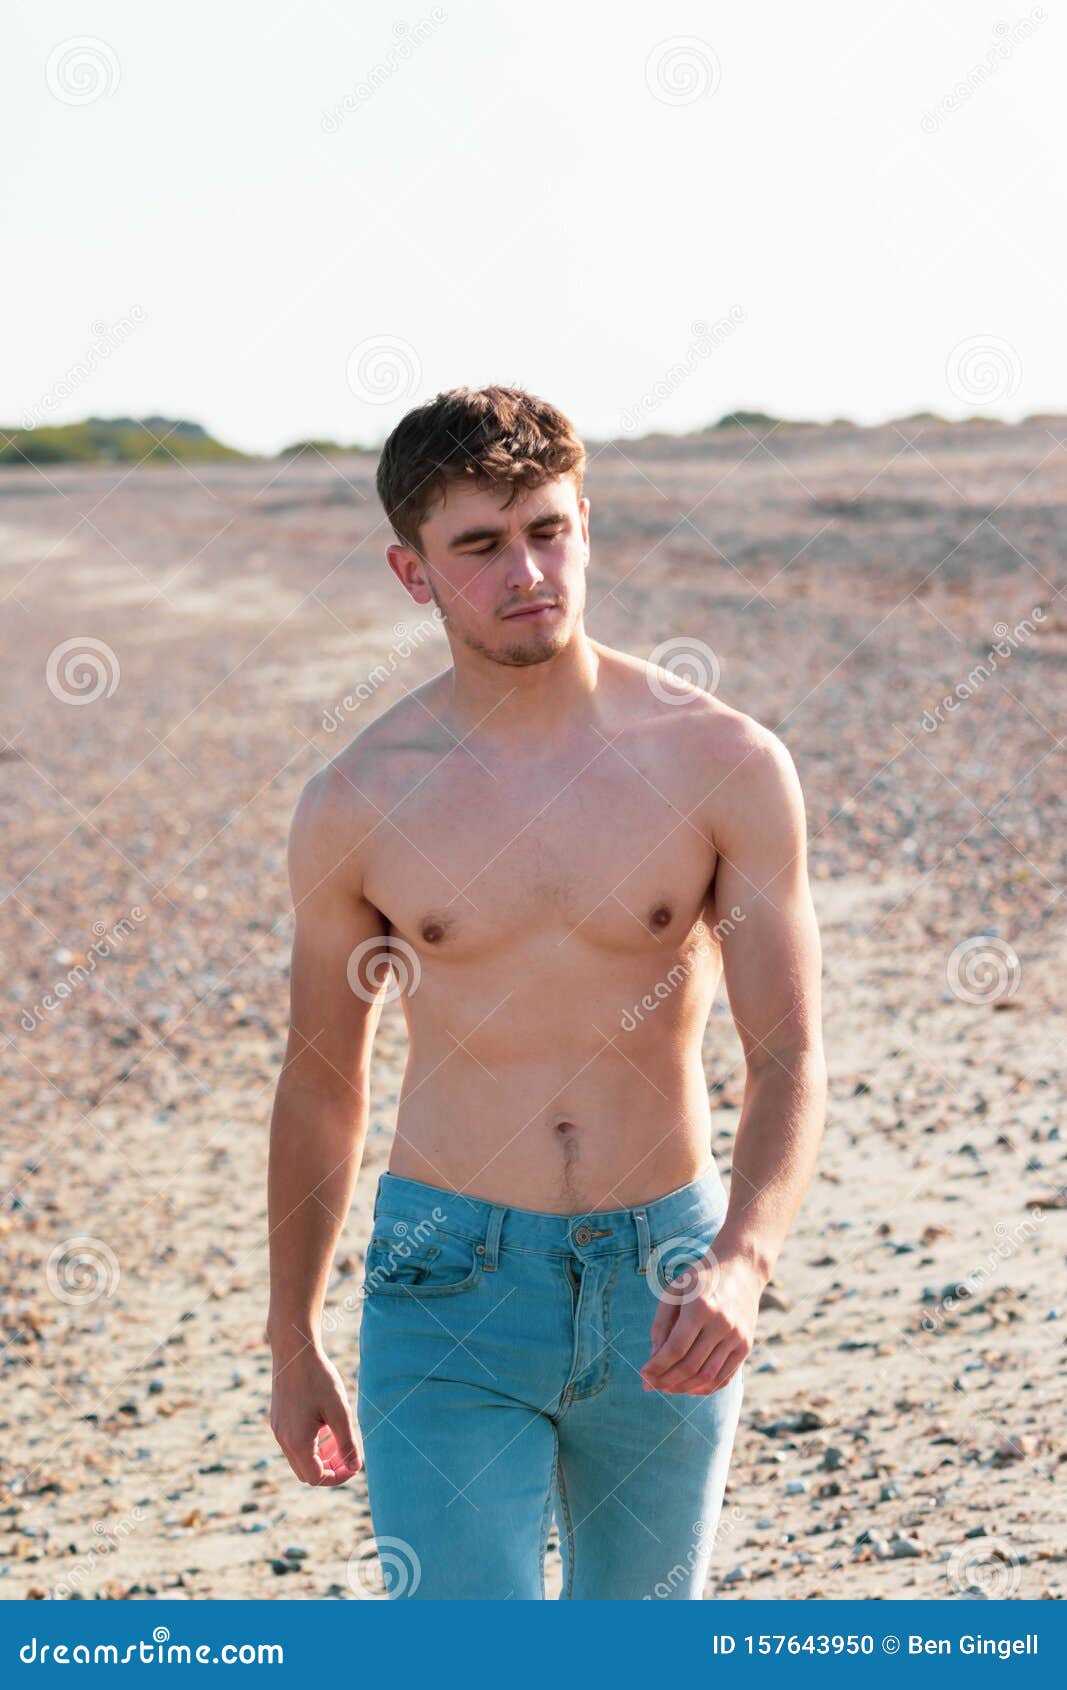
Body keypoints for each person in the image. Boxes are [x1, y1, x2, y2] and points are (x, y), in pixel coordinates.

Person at [266, 385, 827, 1599]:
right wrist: (290, 1331)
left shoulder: (720, 762)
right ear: (412, 573)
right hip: (445, 1277)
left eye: (549, 530)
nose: (527, 571)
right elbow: (320, 1080)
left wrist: (743, 1258)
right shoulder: (358, 801)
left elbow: (787, 1053)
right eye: (478, 545)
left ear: (585, 526)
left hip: (664, 1278)